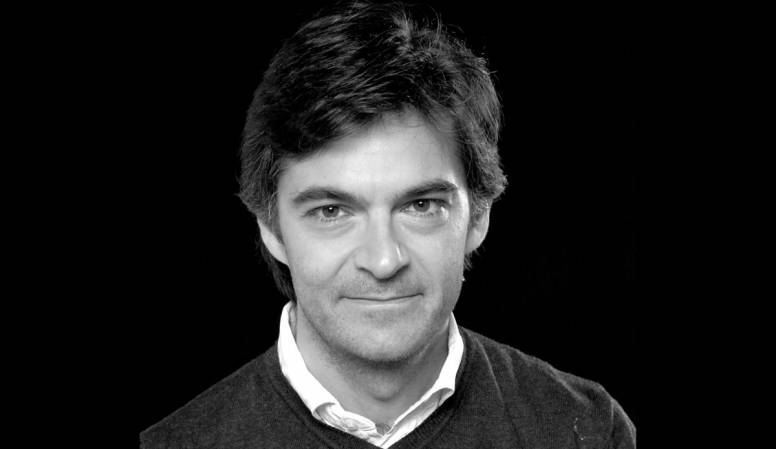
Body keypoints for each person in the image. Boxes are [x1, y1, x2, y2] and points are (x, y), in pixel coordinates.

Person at [140, 1, 636, 447]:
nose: (382, 261)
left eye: (420, 205)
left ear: (479, 214)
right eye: (331, 212)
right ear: (271, 228)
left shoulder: (586, 431)